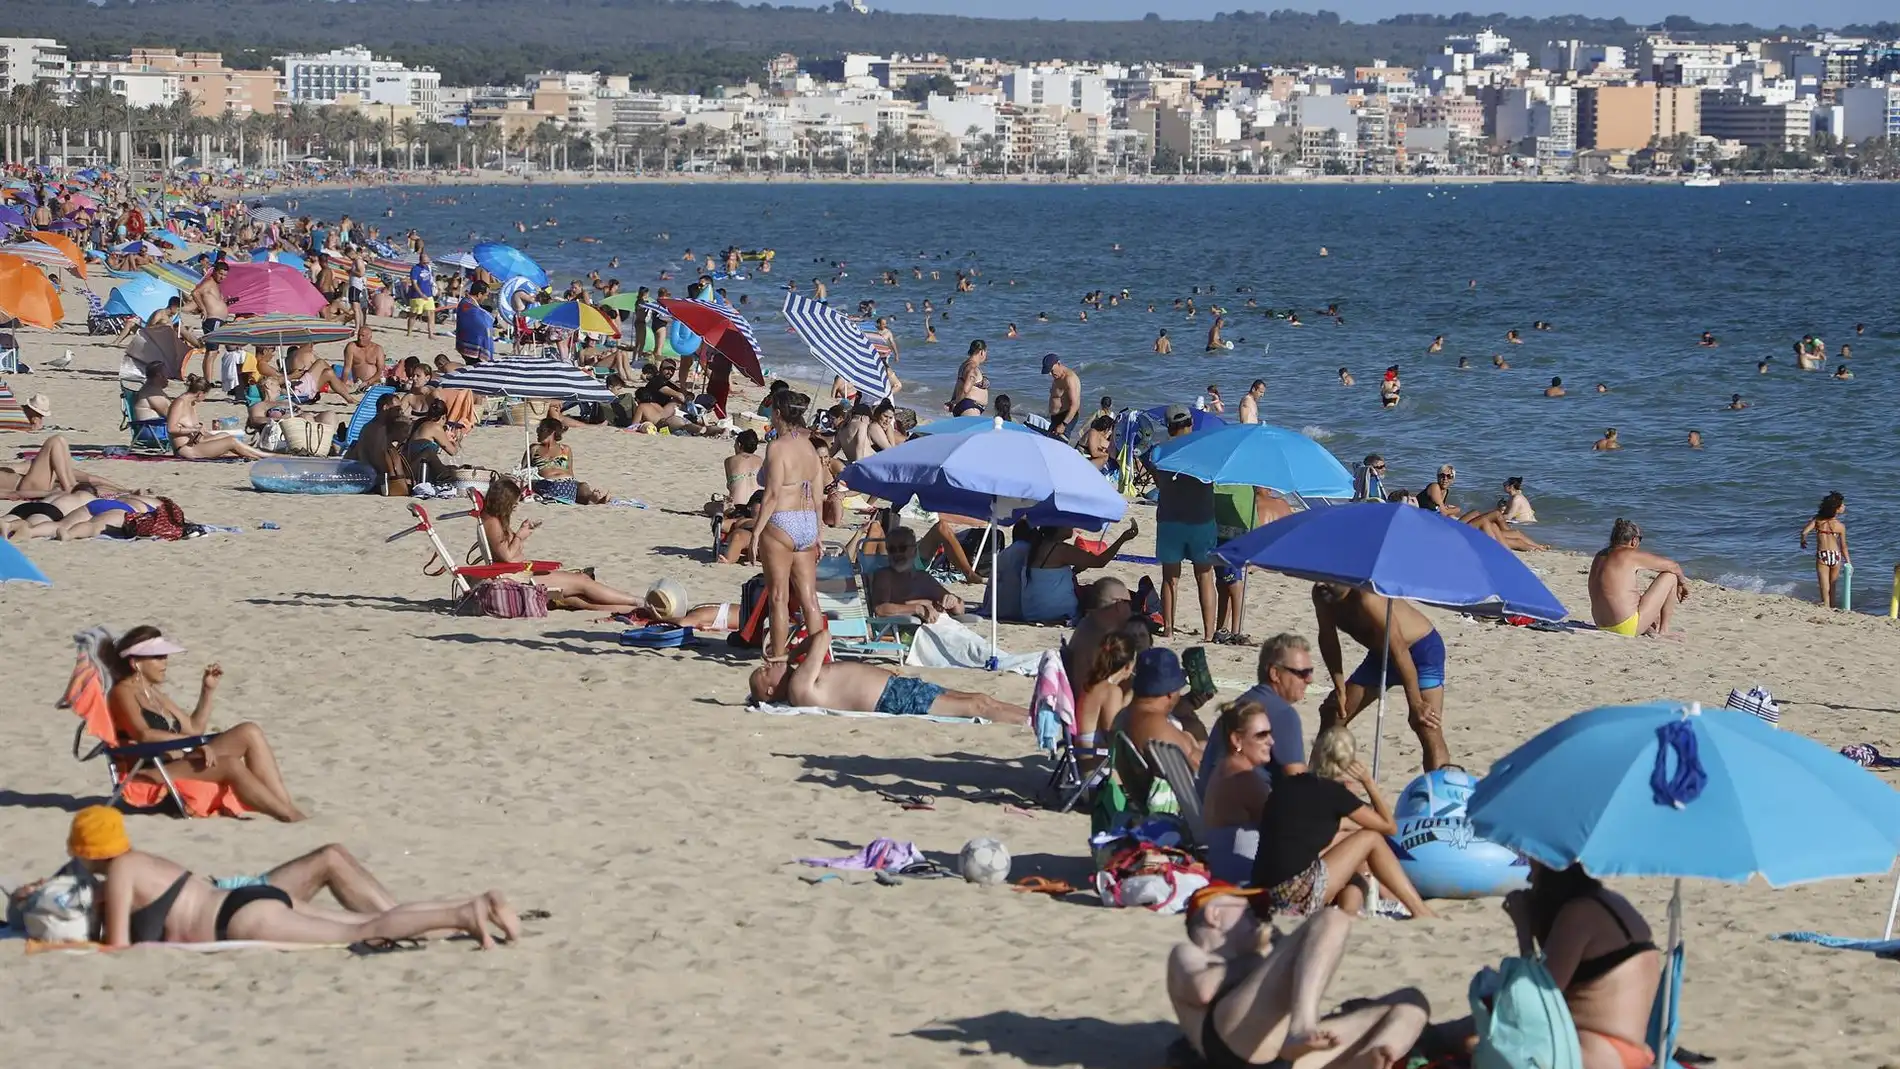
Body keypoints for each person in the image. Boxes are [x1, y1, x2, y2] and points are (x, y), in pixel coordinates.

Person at [62, 807, 517, 948]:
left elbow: (118, 947)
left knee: (362, 930)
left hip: (239, 919)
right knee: (365, 922)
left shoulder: (120, 874)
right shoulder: (142, 862)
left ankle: (466, 912)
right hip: (247, 898)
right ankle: (468, 908)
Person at [1168, 886, 1431, 1069]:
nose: (1259, 921)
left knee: (1411, 1001)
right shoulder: (1188, 953)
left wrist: (1277, 954)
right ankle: (1301, 1026)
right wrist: (1264, 955)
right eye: (1250, 913)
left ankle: (1374, 1056)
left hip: (1283, 1054)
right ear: (1214, 914)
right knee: (1332, 918)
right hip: (1232, 1042)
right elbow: (1202, 990)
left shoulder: (1254, 959)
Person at [1433, 863, 1659, 1069]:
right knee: (1468, 1028)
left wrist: (1523, 931)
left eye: (1534, 870)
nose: (1529, 878)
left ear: (1552, 875)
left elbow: (1536, 999)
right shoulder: (1612, 902)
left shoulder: (1577, 914)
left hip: (1595, 1054)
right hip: (1633, 1050)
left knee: (1468, 1040)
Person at [104, 627, 307, 821]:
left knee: (249, 731)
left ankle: (286, 807)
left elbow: (194, 729)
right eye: (158, 657)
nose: (165, 662)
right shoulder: (122, 693)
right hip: (150, 770)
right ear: (135, 663)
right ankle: (288, 816)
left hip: (177, 763)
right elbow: (143, 734)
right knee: (230, 764)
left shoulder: (153, 692)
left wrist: (207, 690)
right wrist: (193, 744)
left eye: (165, 656)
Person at [1251, 725, 1435, 919]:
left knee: (1353, 856)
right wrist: (1369, 784)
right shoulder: (1335, 794)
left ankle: (1350, 912)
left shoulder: (1285, 786)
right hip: (1295, 895)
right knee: (1371, 838)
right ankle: (1420, 911)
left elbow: (1313, 834)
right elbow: (1390, 827)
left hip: (1263, 894)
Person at [748, 627, 1028, 721]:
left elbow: (820, 637)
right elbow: (822, 636)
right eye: (764, 672)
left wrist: (790, 656)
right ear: (770, 691)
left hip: (897, 688)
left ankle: (1034, 717)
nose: (768, 665)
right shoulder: (798, 687)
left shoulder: (801, 678)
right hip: (893, 698)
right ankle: (1035, 723)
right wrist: (790, 655)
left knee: (980, 698)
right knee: (977, 706)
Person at [1313, 583, 1449, 771]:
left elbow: (1399, 649)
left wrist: (1416, 702)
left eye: (1326, 578)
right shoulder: (1322, 595)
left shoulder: (1368, 598)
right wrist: (1339, 688)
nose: (1319, 583)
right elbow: (1328, 639)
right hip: (1381, 655)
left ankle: (1441, 786)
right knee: (1333, 716)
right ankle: (1315, 784)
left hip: (1420, 651)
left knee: (1426, 725)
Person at [479, 477, 646, 612]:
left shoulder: (494, 519)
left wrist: (522, 533)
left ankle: (633, 609)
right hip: (518, 579)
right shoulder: (493, 523)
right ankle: (638, 601)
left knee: (576, 599)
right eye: (513, 503)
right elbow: (507, 557)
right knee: (582, 581)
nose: (516, 506)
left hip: (520, 574)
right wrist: (519, 536)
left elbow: (506, 552)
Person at [745, 391, 825, 664]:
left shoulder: (777, 447)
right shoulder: (811, 447)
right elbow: (818, 496)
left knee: (779, 597)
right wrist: (819, 533)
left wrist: (756, 533)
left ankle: (778, 660)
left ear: (778, 413)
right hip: (807, 522)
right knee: (809, 598)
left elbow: (771, 495)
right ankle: (818, 660)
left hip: (782, 520)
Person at [1195, 633, 1314, 807]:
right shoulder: (1283, 714)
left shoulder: (1242, 704)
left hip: (1209, 809)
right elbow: (1301, 785)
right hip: (1247, 815)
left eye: (1310, 672)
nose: (1309, 680)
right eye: (1302, 673)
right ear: (1275, 673)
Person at [1146, 407, 1218, 639]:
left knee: (1170, 578)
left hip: (1170, 520)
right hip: (1201, 519)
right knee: (1205, 577)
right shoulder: (1206, 450)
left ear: (1169, 427)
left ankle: (1168, 629)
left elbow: (1160, 483)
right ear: (1191, 423)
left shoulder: (1159, 452)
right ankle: (1209, 634)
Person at [1115, 648, 1212, 799]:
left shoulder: (1128, 715)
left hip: (1143, 795)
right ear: (1170, 693)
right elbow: (1198, 769)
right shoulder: (1155, 726)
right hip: (1185, 802)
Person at [1017, 521, 1140, 623]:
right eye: (1068, 523)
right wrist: (1122, 539)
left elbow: (1047, 578)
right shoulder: (1061, 549)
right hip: (1057, 613)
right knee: (1101, 592)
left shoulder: (1036, 546)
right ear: (1058, 527)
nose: (1072, 525)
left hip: (1031, 612)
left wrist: (1075, 571)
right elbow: (1100, 561)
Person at [1587, 518, 1688, 637]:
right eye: (1640, 539)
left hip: (1601, 624)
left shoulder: (1600, 555)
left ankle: (1647, 627)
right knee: (1670, 576)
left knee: (1651, 616)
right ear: (1634, 541)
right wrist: (1682, 583)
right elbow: (1674, 566)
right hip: (1625, 627)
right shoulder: (1629, 554)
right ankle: (1664, 631)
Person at [869, 526, 965, 622]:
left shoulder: (923, 578)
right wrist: (917, 608)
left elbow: (959, 610)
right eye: (892, 549)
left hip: (941, 626)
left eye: (903, 548)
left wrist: (953, 601)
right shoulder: (885, 576)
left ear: (914, 551)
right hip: (908, 628)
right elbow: (880, 609)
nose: (897, 554)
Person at [1075, 631, 1138, 768]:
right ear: (1128, 665)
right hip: (1095, 768)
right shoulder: (1111, 691)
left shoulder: (1091, 683)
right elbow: (1115, 735)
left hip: (1082, 760)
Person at [167, 376, 269, 460]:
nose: (204, 398)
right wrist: (193, 429)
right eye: (205, 395)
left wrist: (204, 432)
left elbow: (197, 429)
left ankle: (254, 454)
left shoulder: (191, 402)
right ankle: (264, 455)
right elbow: (171, 429)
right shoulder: (179, 403)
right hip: (186, 449)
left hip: (197, 442)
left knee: (224, 435)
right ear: (200, 394)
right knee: (231, 441)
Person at [1064, 577, 1135, 686]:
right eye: (1129, 603)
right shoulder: (1106, 639)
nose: (1131, 609)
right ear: (1119, 604)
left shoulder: (1088, 624)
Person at [527, 417, 608, 504]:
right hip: (547, 484)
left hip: (568, 485)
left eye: (540, 429)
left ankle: (591, 498)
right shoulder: (534, 448)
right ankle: (590, 499)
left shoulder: (565, 449)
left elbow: (570, 473)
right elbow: (523, 471)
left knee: (583, 486)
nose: (537, 432)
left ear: (551, 431)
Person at [1799, 491, 1850, 610]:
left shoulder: (1817, 520)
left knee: (1824, 585)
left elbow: (1804, 532)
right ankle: (1833, 605)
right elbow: (1843, 547)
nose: (1844, 506)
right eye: (1842, 505)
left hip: (1823, 555)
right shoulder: (1840, 526)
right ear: (1836, 509)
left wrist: (1803, 541)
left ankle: (1826, 606)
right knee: (1833, 584)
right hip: (1835, 555)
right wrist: (1848, 561)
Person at [188, 259, 231, 386]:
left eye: (225, 275)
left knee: (214, 351)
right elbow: (195, 292)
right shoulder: (209, 282)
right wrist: (203, 309)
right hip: (212, 320)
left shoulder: (216, 285)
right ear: (214, 272)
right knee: (211, 351)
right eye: (220, 274)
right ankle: (208, 381)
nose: (222, 277)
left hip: (218, 321)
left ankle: (208, 379)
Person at [1465, 501, 1549, 552]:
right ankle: (1535, 549)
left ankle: (1538, 547)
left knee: (1516, 533)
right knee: (1517, 541)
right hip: (1468, 533)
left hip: (1472, 531)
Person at [455, 280, 496, 362]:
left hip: (465, 342)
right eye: (486, 295)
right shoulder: (468, 305)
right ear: (479, 294)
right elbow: (478, 317)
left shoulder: (466, 302)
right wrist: (491, 317)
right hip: (471, 344)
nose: (486, 298)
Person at [1043, 352, 1080, 440]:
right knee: (1047, 441)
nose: (1050, 374)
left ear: (1058, 364)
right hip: (1055, 418)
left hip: (1066, 417)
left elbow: (1075, 405)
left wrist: (1064, 424)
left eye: (1052, 370)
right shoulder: (1057, 377)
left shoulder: (1069, 379)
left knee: (1059, 444)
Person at [950, 339, 990, 415]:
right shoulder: (972, 368)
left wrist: (953, 401)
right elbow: (965, 390)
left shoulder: (964, 365)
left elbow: (958, 385)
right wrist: (955, 402)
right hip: (970, 408)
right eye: (986, 352)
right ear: (982, 352)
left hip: (966, 406)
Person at [724, 429, 764, 504]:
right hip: (757, 505)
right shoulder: (760, 461)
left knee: (709, 505)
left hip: (737, 505)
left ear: (739, 444)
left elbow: (730, 486)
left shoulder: (729, 460)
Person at [405, 249, 437, 338]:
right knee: (414, 314)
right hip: (417, 296)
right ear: (420, 261)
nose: (426, 264)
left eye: (427, 262)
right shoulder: (415, 269)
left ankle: (431, 334)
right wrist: (421, 294)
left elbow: (430, 280)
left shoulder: (429, 268)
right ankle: (409, 332)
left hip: (429, 294)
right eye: (424, 262)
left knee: (431, 313)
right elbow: (414, 283)